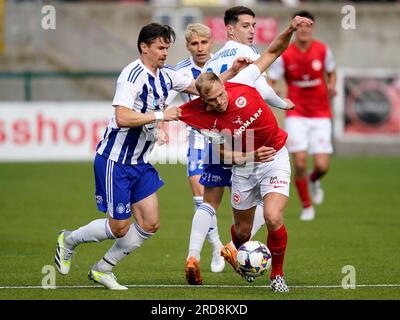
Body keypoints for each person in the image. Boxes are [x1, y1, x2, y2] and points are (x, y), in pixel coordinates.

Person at [53, 23, 244, 290]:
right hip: (115, 160)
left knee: (150, 223)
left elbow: (205, 89)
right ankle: (69, 240)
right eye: (160, 47)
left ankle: (103, 269)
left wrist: (233, 71)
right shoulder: (132, 76)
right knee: (119, 227)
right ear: (145, 47)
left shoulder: (166, 76)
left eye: (167, 47)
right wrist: (160, 116)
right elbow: (121, 117)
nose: (165, 52)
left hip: (140, 162)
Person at [179, 15, 314, 293]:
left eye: (220, 94)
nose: (219, 102)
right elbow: (225, 156)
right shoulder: (209, 122)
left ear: (224, 84)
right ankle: (238, 255)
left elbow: (274, 51)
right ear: (204, 102)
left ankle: (277, 275)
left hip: (275, 157)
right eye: (212, 101)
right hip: (245, 169)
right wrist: (250, 156)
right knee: (241, 232)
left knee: (274, 217)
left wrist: (289, 28)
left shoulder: (244, 79)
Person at [164, 23, 226, 275]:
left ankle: (236, 245)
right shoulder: (179, 70)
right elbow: (164, 101)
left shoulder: (223, 64)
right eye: (194, 44)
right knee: (199, 193)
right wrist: (159, 125)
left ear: (211, 43)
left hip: (229, 136)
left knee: (240, 198)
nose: (200, 48)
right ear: (188, 46)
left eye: (204, 42)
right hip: (199, 138)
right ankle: (215, 246)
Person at [268, 10, 337, 221]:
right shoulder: (286, 55)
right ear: (296, 29)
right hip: (296, 113)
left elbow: (331, 72)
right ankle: (307, 206)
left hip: (321, 114)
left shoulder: (323, 51)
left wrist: (332, 86)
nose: (304, 30)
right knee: (298, 162)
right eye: (300, 26)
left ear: (312, 27)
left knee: (322, 166)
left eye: (308, 25)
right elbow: (272, 79)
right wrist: (273, 91)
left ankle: (314, 179)